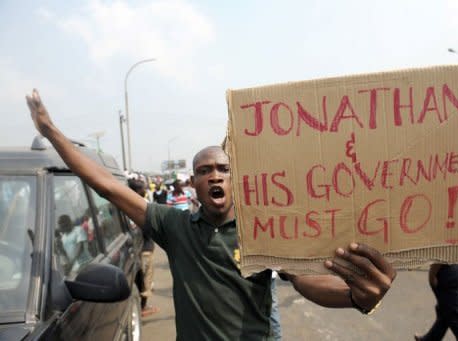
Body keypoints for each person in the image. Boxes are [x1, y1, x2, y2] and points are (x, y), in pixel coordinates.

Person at [27, 89, 396, 339]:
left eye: (223, 168)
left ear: (236, 178)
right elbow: (107, 185)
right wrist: (50, 131)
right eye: (205, 171)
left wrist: (354, 298)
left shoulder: (261, 230)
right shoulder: (173, 226)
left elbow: (302, 281)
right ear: (193, 182)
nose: (215, 175)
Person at [414, 223, 458, 341]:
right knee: (447, 308)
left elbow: (444, 248)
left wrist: (432, 274)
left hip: (448, 271)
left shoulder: (443, 212)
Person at [128, 178, 159, 317]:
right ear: (136, 191)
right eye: (143, 188)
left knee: (142, 277)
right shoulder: (141, 206)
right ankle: (143, 307)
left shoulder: (126, 204)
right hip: (144, 248)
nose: (145, 191)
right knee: (145, 278)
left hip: (138, 248)